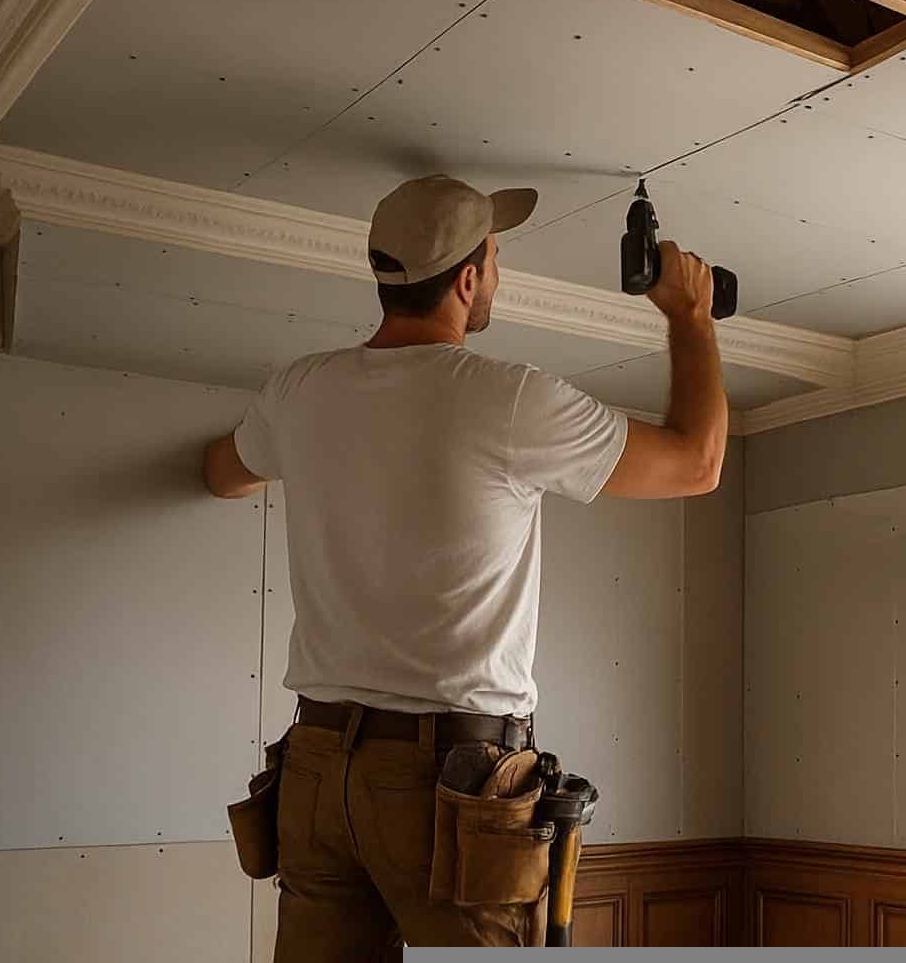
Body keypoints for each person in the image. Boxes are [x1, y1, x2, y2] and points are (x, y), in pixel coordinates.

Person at [201, 174, 727, 956]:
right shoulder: (507, 399)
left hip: (314, 770)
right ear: (470, 279)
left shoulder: (299, 390)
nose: (498, 273)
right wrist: (692, 317)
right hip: (448, 780)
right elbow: (698, 463)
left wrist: (311, 459)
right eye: (495, 256)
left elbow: (222, 473)